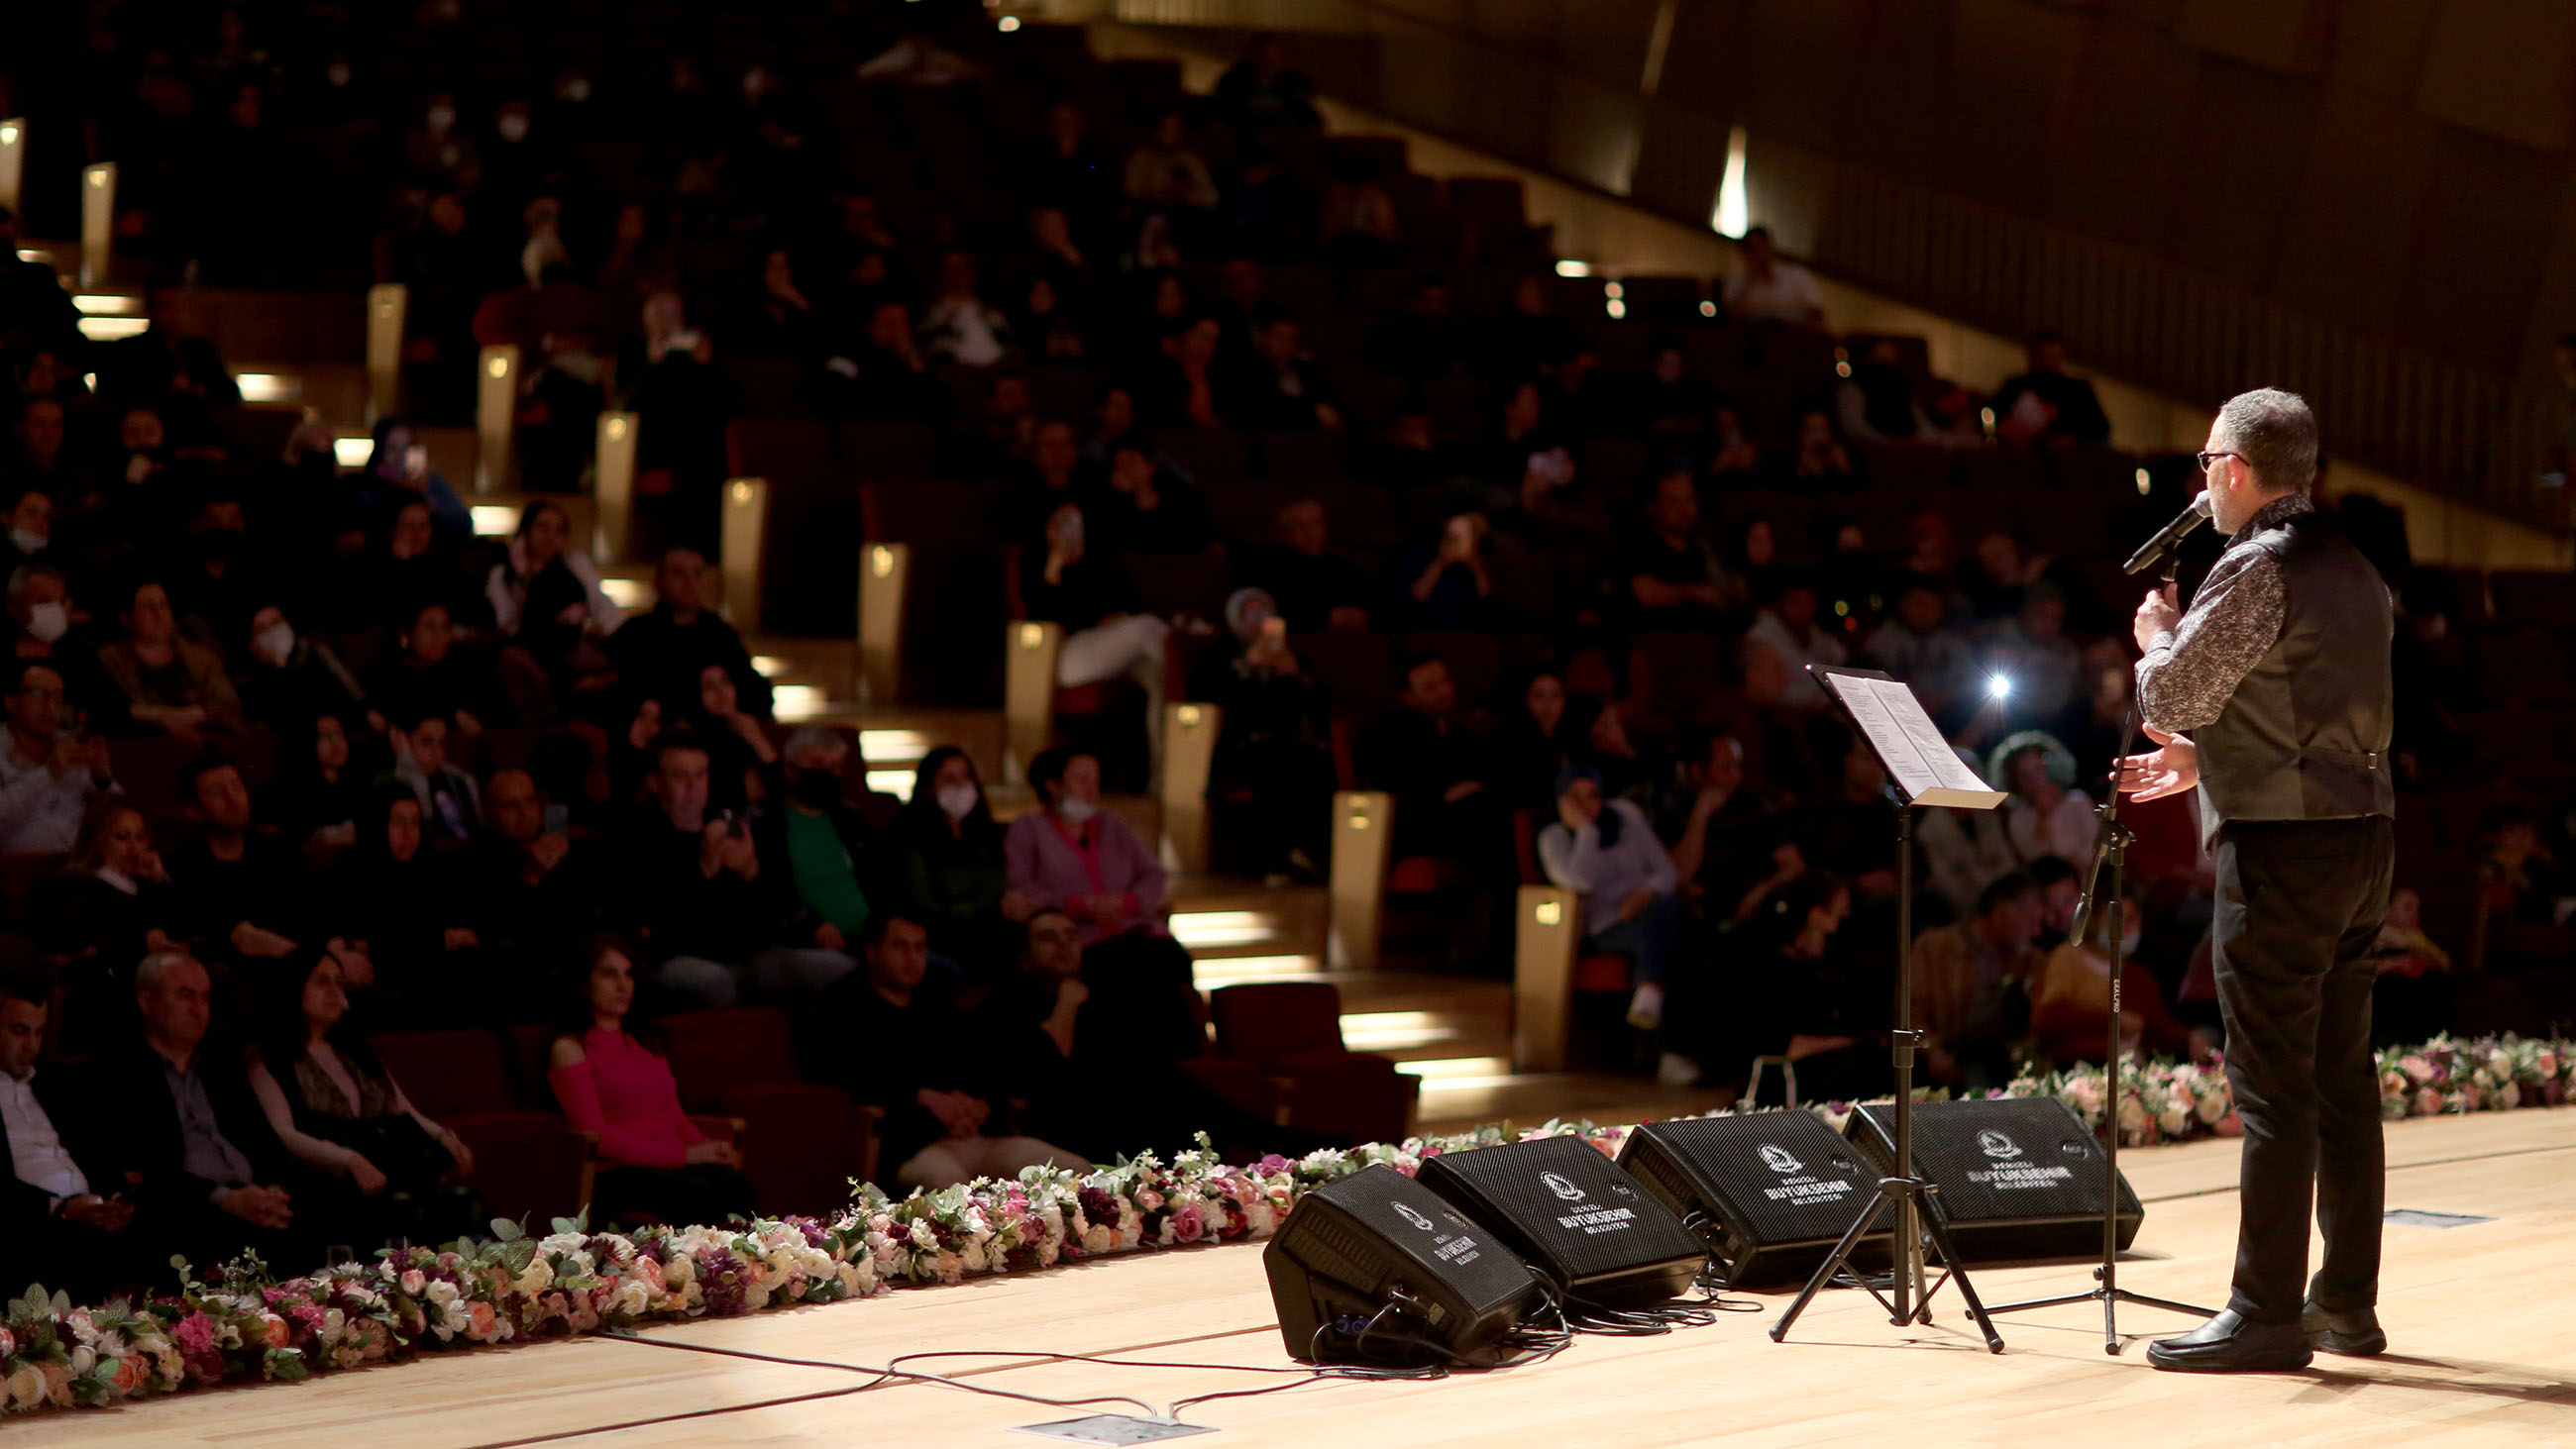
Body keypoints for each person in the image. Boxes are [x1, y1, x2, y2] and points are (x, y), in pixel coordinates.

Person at [2124, 389, 2395, 1373]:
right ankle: (2344, 1304)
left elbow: (2175, 690)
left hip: (2284, 852)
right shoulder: (2354, 563)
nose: (2199, 480)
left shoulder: (2253, 565)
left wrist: (2156, 630)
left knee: (2272, 1084)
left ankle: (2263, 1311)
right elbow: (2314, 708)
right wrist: (2209, 764)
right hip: (2361, 841)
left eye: (2204, 463)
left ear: (2235, 469)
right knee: (2338, 1078)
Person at [810, 914, 1088, 1190]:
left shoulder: (936, 1005)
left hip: (974, 1136)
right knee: (953, 1190)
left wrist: (980, 1105)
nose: (913, 958)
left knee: (1075, 1170)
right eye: (900, 946)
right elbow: (844, 1077)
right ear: (872, 952)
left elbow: (984, 1067)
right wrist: (922, 1097)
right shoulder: (841, 1008)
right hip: (909, 1145)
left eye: (920, 948)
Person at [89, 951, 307, 1274]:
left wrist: (275, 1190)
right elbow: (147, 1169)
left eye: (205, 998)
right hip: (186, 1211)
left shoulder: (221, 1067)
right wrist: (226, 1199)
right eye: (185, 996)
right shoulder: (117, 1073)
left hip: (252, 1201)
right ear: (147, 1003)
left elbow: (266, 1143)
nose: (198, 1010)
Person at [248, 951, 478, 1247]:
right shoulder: (270, 1059)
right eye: (321, 982)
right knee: (404, 1210)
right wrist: (347, 1160)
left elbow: (403, 1108)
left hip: (383, 1165)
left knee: (463, 1202)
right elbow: (283, 1132)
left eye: (339, 983)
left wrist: (445, 1137)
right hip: (326, 1179)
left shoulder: (357, 1051)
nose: (334, 992)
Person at [548, 938, 757, 1227]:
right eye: (609, 974)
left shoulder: (645, 1043)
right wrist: (685, 1155)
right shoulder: (570, 1048)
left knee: (734, 1184)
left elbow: (674, 1117)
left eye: (628, 974)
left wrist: (707, 1149)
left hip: (673, 1165)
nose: (623, 986)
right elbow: (597, 1135)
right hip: (617, 1172)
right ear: (584, 982)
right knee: (703, 1193)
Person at [1539, 766, 1684, 1032]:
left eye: (1592, 795)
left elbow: (1667, 872)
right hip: (1603, 927)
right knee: (1671, 933)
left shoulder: (1625, 816)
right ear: (1562, 801)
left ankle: (1651, 996)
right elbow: (1581, 882)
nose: (1584, 804)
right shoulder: (1553, 839)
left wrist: (1644, 893)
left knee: (1667, 914)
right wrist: (1586, 831)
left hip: (1649, 910)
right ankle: (1663, 1035)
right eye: (1575, 797)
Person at [897, 747, 1037, 971]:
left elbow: (1001, 885)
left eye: (965, 777)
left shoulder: (986, 836)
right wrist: (992, 909)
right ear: (928, 787)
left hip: (996, 932)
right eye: (949, 779)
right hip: (947, 939)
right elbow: (923, 908)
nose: (960, 785)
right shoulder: (909, 840)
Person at [1907, 871, 2044, 1091]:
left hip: (2006, 1059)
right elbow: (1911, 1013)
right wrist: (1932, 1050)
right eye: (2031, 922)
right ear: (2000, 915)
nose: (2036, 931)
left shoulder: (2031, 958)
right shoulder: (1935, 947)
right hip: (1951, 1055)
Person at [605, 547, 772, 725]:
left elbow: (756, 692)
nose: (689, 582)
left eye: (696, 574)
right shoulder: (636, 633)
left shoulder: (719, 634)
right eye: (679, 573)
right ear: (659, 580)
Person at [98, 578, 245, 740]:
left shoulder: (200, 659)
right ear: (126, 619)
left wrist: (188, 716)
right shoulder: (112, 659)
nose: (158, 614)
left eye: (163, 605)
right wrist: (160, 716)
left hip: (202, 741)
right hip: (142, 746)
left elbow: (229, 705)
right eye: (148, 607)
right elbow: (110, 710)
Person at [0, 660, 113, 853]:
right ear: (10, 702)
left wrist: (101, 778)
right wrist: (48, 773)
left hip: (79, 864)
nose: (51, 707)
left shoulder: (72, 744)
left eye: (58, 698)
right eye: (38, 695)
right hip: (15, 870)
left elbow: (119, 815)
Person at [1621, 470, 1739, 625]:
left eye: (1689, 501)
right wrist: (1692, 593)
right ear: (1652, 507)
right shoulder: (1640, 546)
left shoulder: (1701, 547)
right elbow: (1645, 593)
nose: (1685, 512)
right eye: (1674, 502)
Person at [1990, 731, 2094, 872]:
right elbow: (2034, 860)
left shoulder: (2078, 802)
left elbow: (2096, 847)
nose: (2034, 781)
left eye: (2039, 771)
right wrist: (2044, 816)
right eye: (2024, 775)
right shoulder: (2018, 818)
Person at [1987, 331, 2111, 447]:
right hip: (2021, 456)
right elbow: (1992, 420)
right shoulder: (2014, 386)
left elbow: (2100, 428)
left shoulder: (2078, 389)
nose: (2046, 361)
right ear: (2031, 356)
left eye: (2052, 356)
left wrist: (2071, 438)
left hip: (2069, 460)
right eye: (2041, 356)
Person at [1719, 227, 1826, 327]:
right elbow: (1730, 318)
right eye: (1751, 249)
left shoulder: (1797, 275)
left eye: (1760, 247)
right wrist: (1751, 281)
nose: (1757, 253)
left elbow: (1816, 311)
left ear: (1770, 247)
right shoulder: (1736, 282)